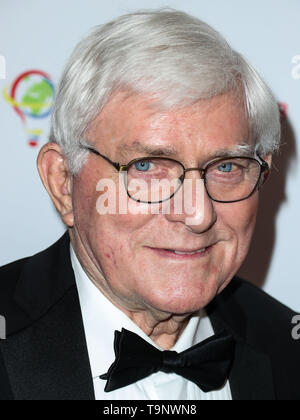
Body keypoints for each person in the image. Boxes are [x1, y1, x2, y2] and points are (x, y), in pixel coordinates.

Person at [0, 9, 299, 401]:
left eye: (226, 166)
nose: (197, 214)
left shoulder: (288, 349)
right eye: (146, 166)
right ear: (62, 182)